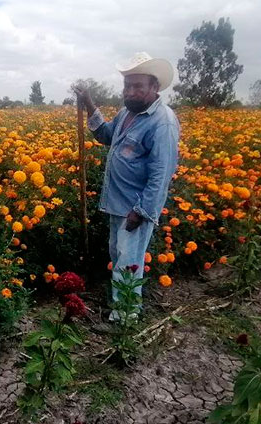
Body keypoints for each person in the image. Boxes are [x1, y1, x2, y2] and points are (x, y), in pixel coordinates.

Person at [76, 53, 180, 321]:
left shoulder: (162, 122)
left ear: (154, 87)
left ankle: (125, 319)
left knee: (129, 262)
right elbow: (106, 136)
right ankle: (120, 306)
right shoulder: (127, 113)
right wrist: (88, 102)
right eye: (127, 86)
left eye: (138, 86)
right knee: (119, 255)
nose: (130, 92)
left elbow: (161, 173)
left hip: (135, 208)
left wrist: (142, 211)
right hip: (117, 202)